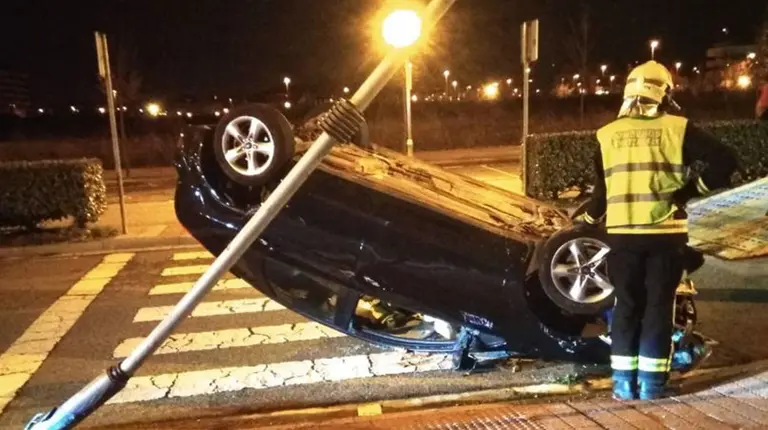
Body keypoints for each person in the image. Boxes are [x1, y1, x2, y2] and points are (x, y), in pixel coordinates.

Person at [581, 61, 739, 401]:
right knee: (657, 308)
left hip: (622, 236)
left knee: (625, 306)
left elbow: (601, 192)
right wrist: (687, 191)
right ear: (665, 92)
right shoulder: (678, 128)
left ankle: (624, 384)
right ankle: (652, 385)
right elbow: (725, 160)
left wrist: (589, 218)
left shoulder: (607, 134)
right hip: (665, 235)